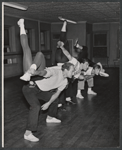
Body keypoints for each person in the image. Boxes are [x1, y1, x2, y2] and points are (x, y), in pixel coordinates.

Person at [18, 18, 75, 142]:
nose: (73, 73)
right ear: (65, 70)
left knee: (53, 99)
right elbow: (45, 72)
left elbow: (56, 94)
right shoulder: (56, 71)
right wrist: (34, 72)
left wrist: (49, 103)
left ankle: (50, 117)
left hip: (38, 86)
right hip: (31, 86)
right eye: (72, 71)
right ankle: (28, 133)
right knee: (36, 106)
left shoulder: (65, 81)